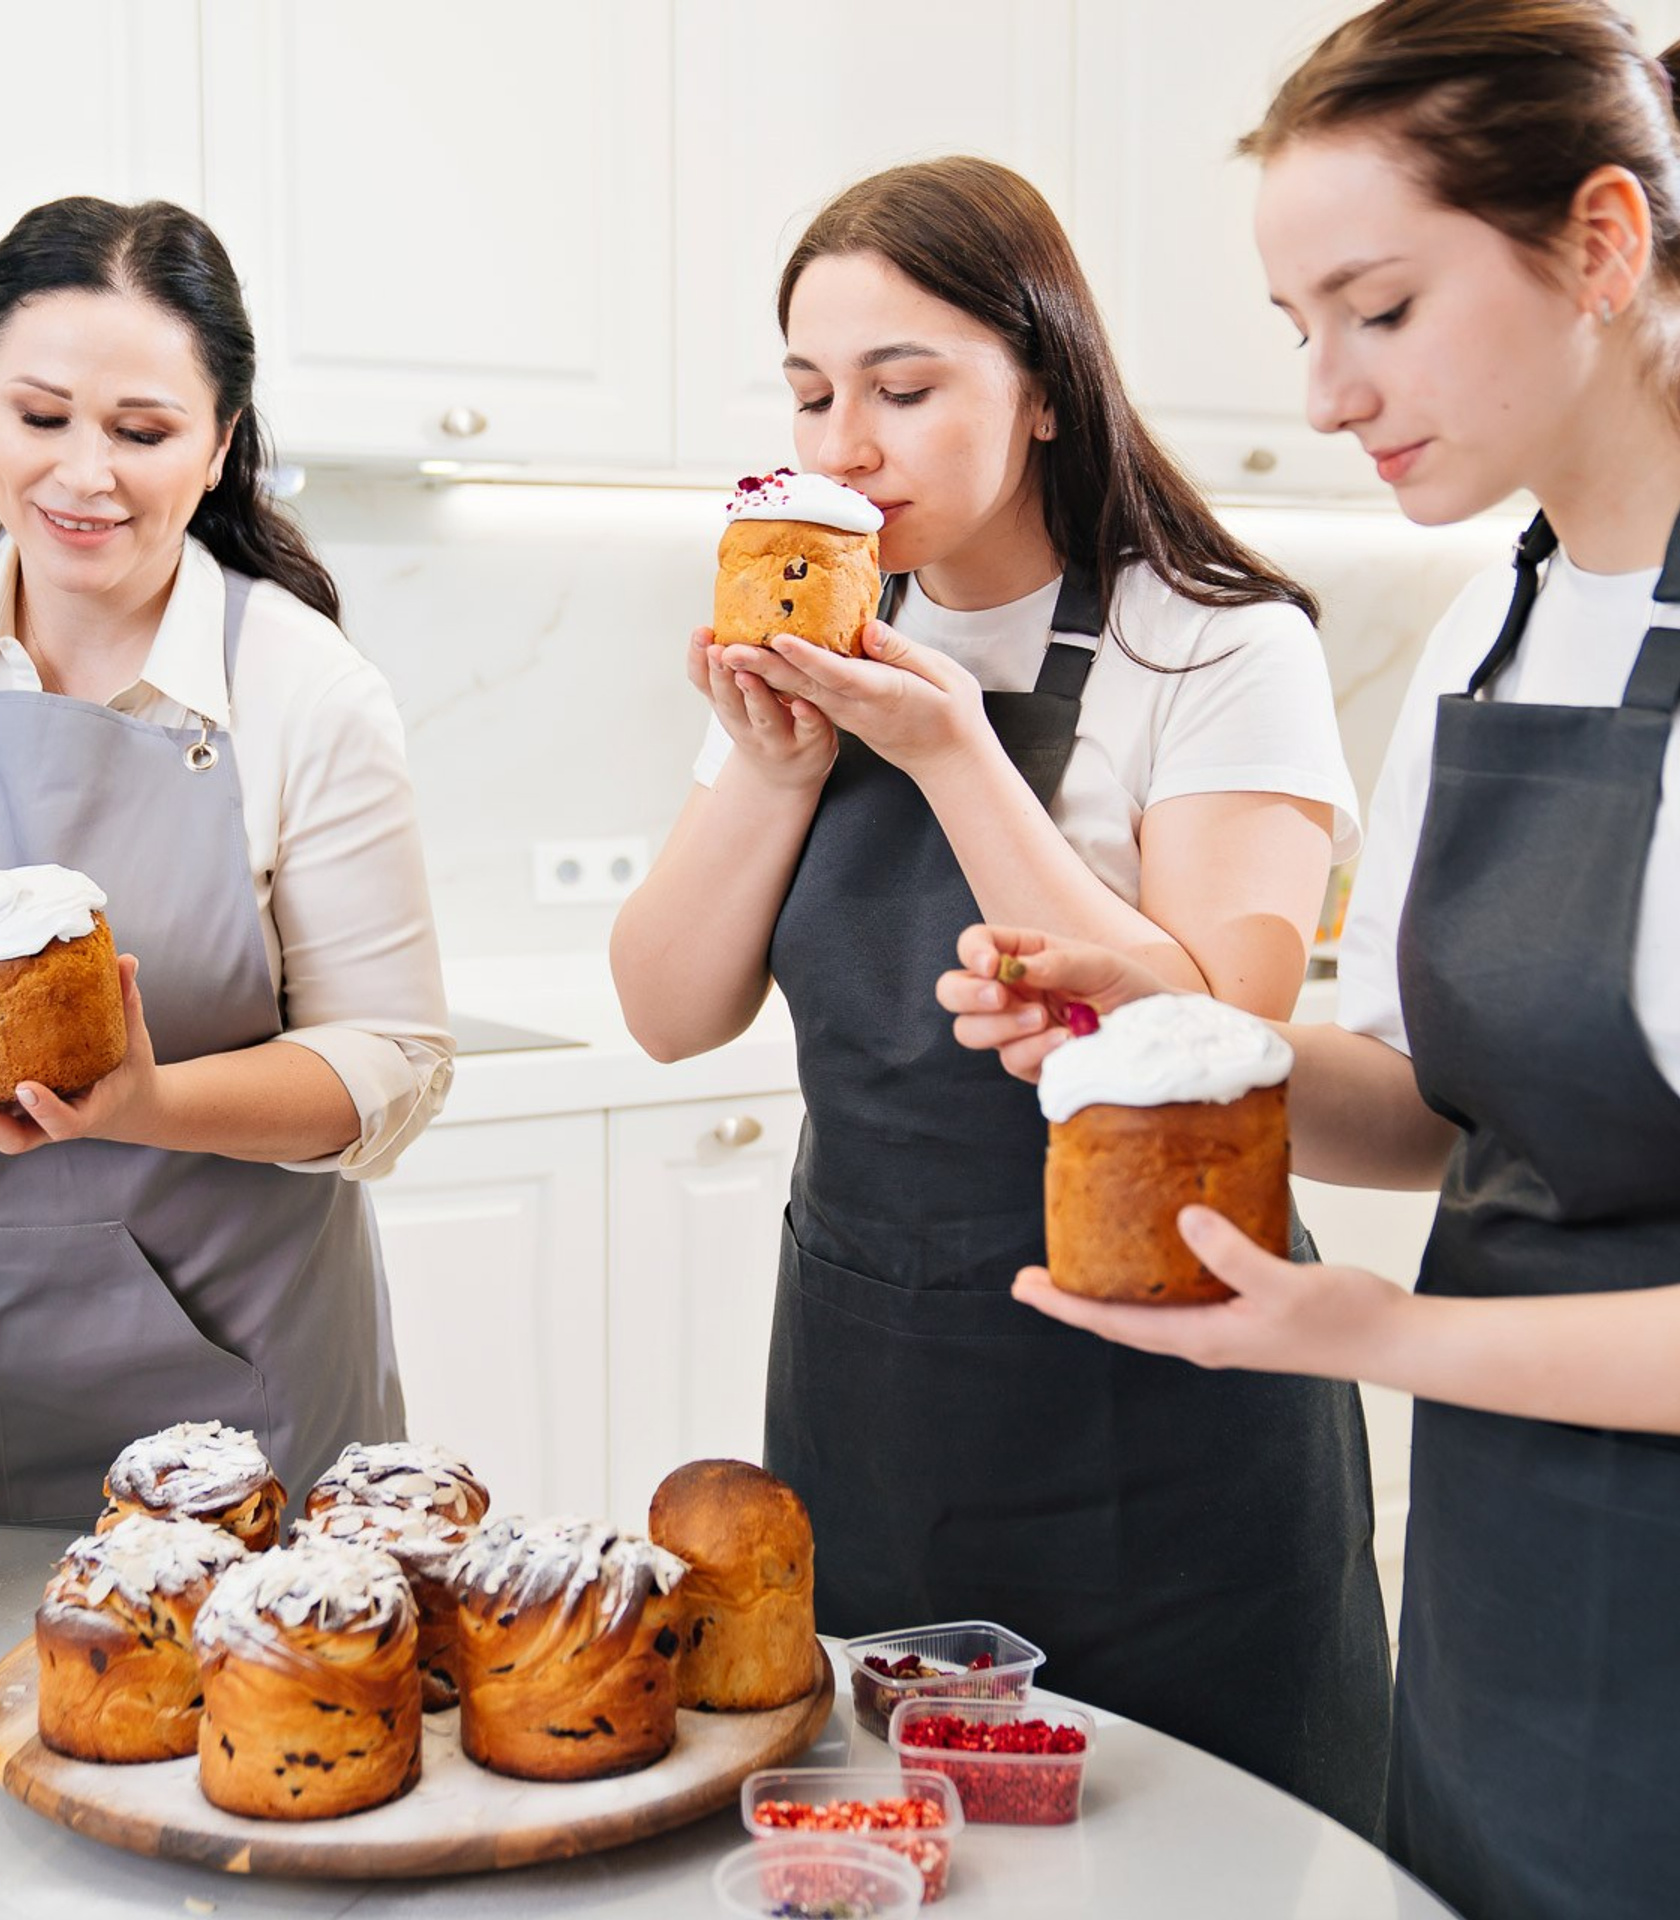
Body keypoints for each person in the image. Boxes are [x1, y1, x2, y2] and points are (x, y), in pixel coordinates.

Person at [937, 6, 1680, 1915]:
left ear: (1604, 245)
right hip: (1515, 1558)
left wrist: (1378, 1338)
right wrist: (1176, 1028)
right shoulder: (1494, 631)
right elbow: (1437, 1109)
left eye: (1383, 309)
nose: (1333, 392)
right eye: (1301, 329)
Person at [612, 155, 1390, 1833]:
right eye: (811, 393)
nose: (844, 446)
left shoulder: (1220, 646)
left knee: (1201, 1851)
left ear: (1044, 391)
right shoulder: (820, 634)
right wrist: (774, 767)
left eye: (903, 389)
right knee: (910, 1845)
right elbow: (666, 1011)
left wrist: (956, 750)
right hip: (879, 1379)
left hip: (1165, 1394)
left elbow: (1227, 1039)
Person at [0, 197, 452, 1528]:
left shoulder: (303, 686)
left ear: (221, 444)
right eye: (40, 416)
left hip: (226, 1409)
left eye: (142, 433)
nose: (84, 475)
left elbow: (393, 1065)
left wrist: (149, 1102)